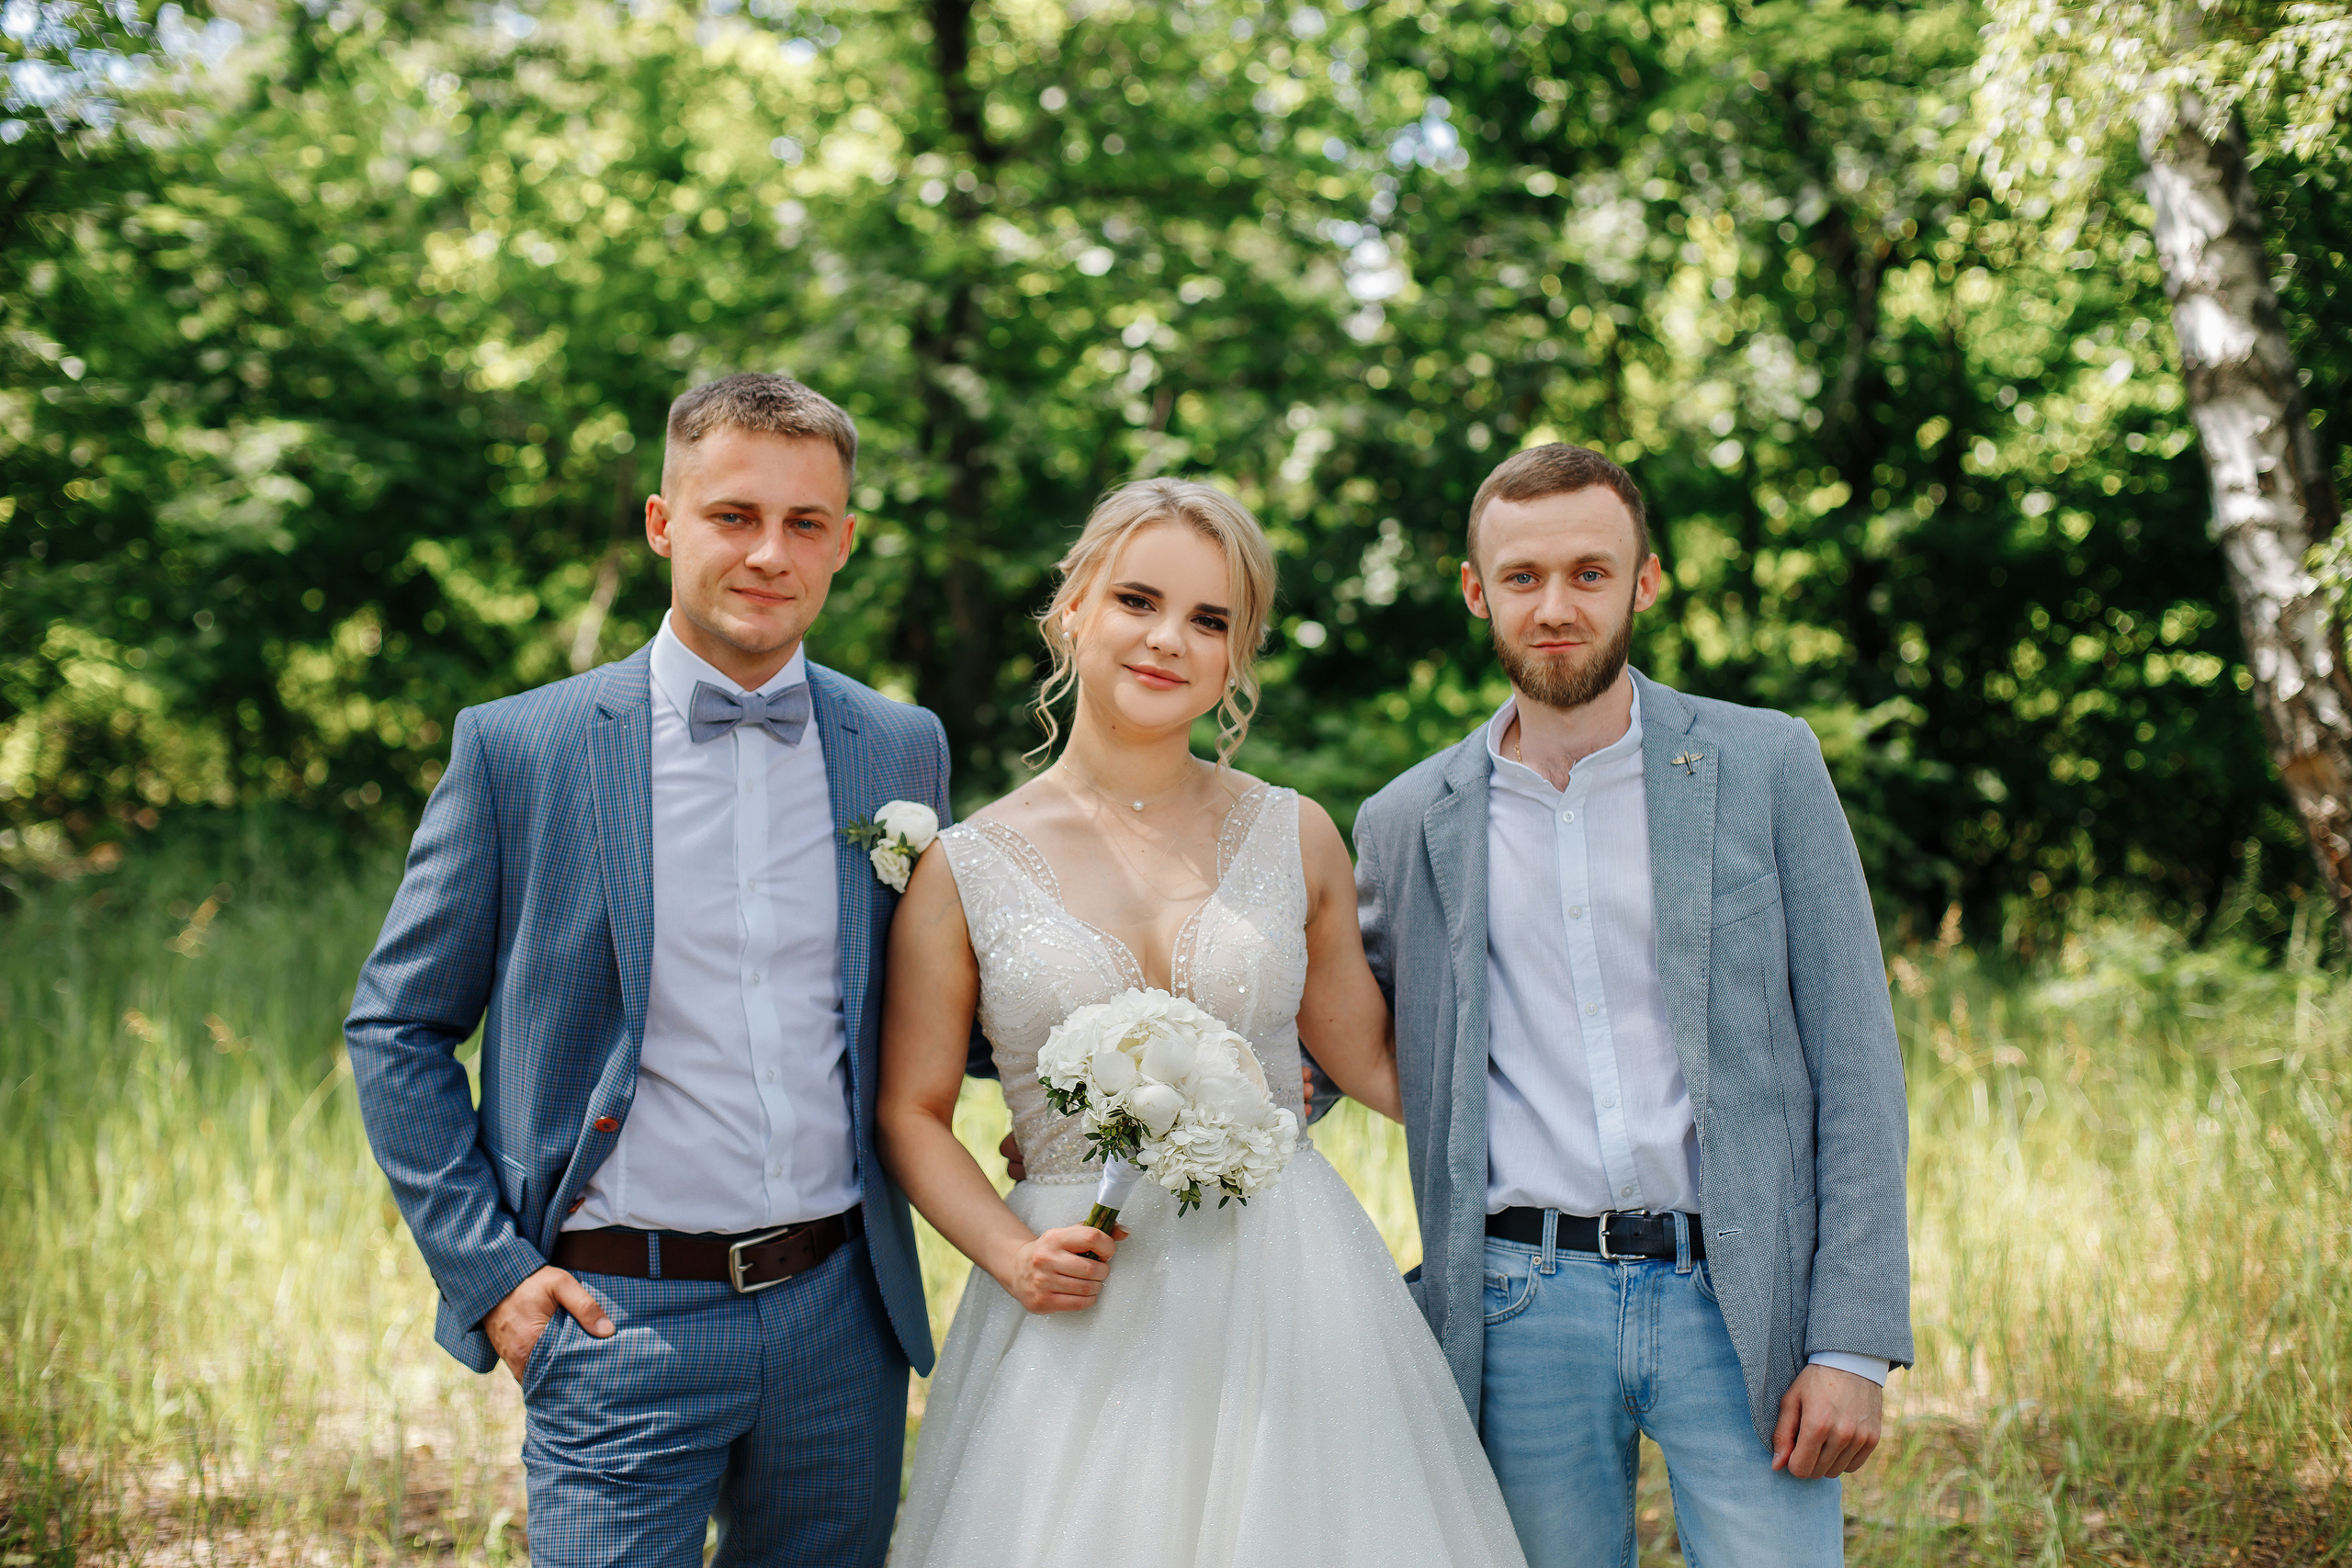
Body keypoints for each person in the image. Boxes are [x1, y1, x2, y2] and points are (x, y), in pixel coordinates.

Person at [345, 373, 949, 1568]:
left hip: (843, 1317)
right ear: (664, 523)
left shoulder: (899, 744)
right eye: (734, 515)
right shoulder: (520, 748)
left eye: (805, 522)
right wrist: (493, 1275)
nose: (770, 553)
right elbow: (397, 1027)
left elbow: (941, 1005)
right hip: (620, 1321)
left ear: (843, 542)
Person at [876, 479, 1528, 1568]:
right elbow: (910, 1110)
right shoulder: (963, 867)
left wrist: (1559, 1112)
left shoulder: (1297, 834)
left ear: (1237, 658)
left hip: (1289, 1286)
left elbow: (1377, 1060)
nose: (1168, 640)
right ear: (1072, 609)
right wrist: (1011, 1253)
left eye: (1211, 620)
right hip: (1076, 1287)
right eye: (1137, 600)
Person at [1342, 443, 1915, 1567]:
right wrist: (1128, 1098)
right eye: (1521, 577)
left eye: (1589, 574)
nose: (1555, 607)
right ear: (1476, 592)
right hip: (1517, 1304)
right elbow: (1339, 1035)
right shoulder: (1406, 821)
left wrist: (1851, 1342)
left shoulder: (1766, 763)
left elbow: (1856, 1061)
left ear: (1643, 582)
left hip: (1738, 1298)